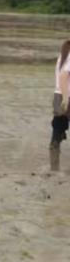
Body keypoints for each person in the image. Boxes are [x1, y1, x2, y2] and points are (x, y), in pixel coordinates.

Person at [50, 40, 70, 171]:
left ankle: (54, 167)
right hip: (66, 96)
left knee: (57, 130)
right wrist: (65, 98)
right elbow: (63, 76)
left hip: (58, 95)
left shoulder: (63, 56)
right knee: (59, 127)